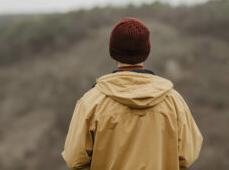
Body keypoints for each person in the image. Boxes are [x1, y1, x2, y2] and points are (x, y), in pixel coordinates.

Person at [61, 18, 203, 170]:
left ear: (113, 52)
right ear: (146, 52)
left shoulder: (91, 102)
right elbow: (188, 155)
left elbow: (75, 159)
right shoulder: (174, 101)